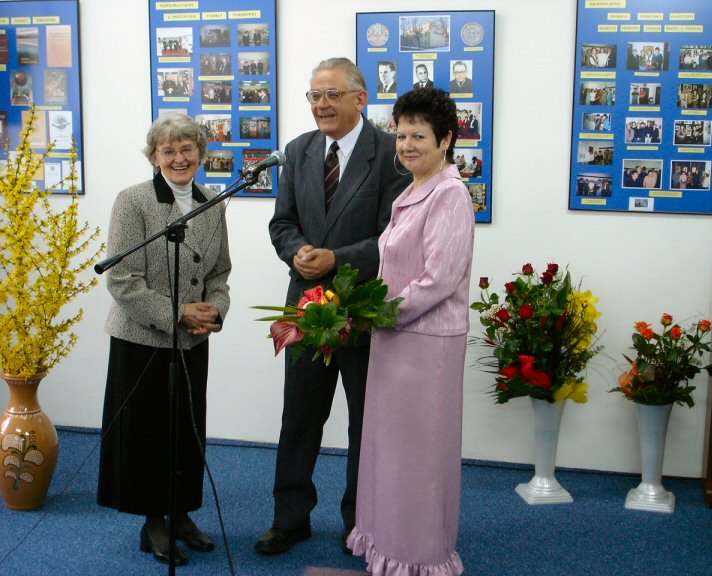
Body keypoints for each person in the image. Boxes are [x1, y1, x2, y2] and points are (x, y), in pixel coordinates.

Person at [257, 57, 411, 556]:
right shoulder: (297, 151)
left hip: (362, 309)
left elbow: (396, 237)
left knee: (365, 421)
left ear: (360, 99)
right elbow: (282, 224)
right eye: (314, 95)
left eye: (331, 95)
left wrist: (335, 260)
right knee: (299, 416)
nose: (320, 104)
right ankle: (290, 518)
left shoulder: (391, 154)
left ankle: (359, 521)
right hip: (304, 307)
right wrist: (297, 251)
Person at [347, 88, 474, 575]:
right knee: (389, 452)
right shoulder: (413, 189)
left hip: (425, 346)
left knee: (419, 459)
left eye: (418, 135)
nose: (406, 145)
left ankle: (418, 556)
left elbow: (439, 278)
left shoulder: (450, 194)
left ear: (445, 139)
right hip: (395, 340)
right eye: (400, 135)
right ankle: (387, 543)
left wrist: (381, 312)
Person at [97, 114, 231, 566]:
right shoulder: (132, 202)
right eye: (168, 151)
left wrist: (215, 310)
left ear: (200, 154)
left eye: (187, 149)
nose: (179, 158)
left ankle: (182, 513)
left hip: (193, 341)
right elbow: (121, 278)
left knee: (186, 431)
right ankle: (153, 521)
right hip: (142, 339)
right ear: (154, 156)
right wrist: (176, 313)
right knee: (148, 434)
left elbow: (219, 273)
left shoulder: (212, 201)